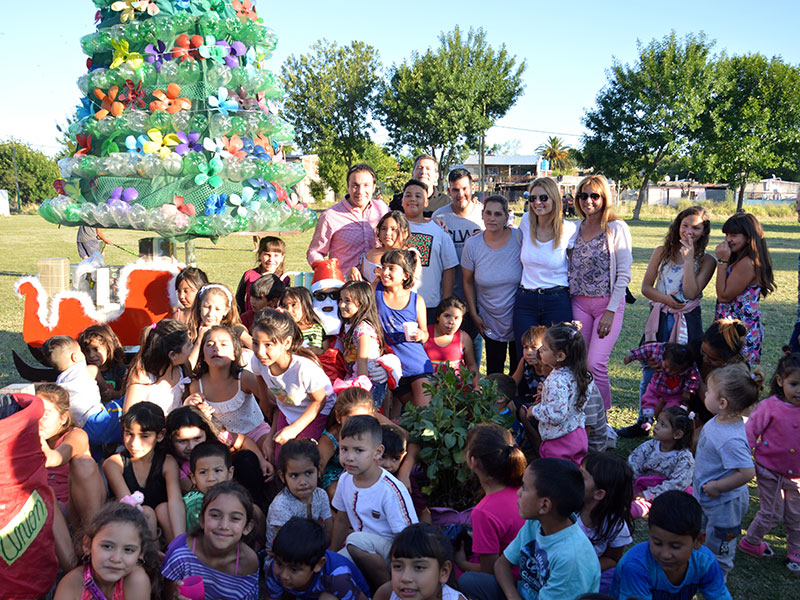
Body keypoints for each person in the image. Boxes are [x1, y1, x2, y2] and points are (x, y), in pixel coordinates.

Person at [620, 206, 715, 435]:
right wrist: (666, 300)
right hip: (661, 316)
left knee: (684, 368)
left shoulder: (707, 260)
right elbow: (646, 287)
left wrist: (689, 258)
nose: (689, 231)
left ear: (704, 231)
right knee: (653, 365)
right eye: (685, 225)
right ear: (677, 225)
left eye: (696, 227)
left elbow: (691, 293)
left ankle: (679, 423)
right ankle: (644, 420)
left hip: (687, 320)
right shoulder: (661, 252)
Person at [331, 415, 418, 590]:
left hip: (394, 554)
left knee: (355, 540)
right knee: (332, 570)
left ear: (377, 452)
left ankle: (389, 590)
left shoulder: (390, 489)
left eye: (359, 450)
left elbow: (408, 538)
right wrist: (331, 554)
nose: (349, 457)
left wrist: (406, 575)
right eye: (344, 449)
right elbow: (341, 520)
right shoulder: (345, 479)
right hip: (359, 548)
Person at [568, 174, 632, 410]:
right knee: (579, 363)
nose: (588, 201)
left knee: (595, 364)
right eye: (583, 195)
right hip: (579, 304)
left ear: (605, 198)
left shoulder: (616, 228)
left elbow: (624, 274)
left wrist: (611, 311)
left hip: (607, 305)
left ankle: (603, 416)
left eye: (595, 195)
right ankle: (583, 413)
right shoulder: (574, 228)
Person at [494, 458, 601, 600]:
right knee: (472, 581)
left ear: (544, 506)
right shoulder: (536, 523)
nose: (519, 492)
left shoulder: (570, 558)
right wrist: (513, 596)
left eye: (524, 487)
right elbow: (502, 563)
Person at [693, 363, 760, 576]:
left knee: (721, 544)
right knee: (702, 533)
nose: (705, 394)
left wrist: (718, 486)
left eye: (709, 391)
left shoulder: (730, 439)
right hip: (708, 496)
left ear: (722, 403)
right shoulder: (720, 420)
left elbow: (747, 472)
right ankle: (700, 567)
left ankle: (718, 579)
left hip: (725, 504)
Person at [739, 351, 800, 572]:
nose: (799, 390)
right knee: (772, 512)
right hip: (769, 470)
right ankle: (751, 541)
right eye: (794, 384)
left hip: (797, 476)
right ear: (780, 381)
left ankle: (796, 550)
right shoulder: (770, 406)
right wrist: (743, 456)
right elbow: (750, 431)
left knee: (796, 515)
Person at [611, 490, 732, 600]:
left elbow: (719, 595)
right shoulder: (636, 566)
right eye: (657, 543)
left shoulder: (705, 561)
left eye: (675, 546)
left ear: (698, 541)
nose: (665, 555)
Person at [456, 424, 526, 600]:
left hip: (511, 583)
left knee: (460, 577)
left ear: (473, 461)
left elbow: (489, 571)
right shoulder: (524, 489)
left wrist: (461, 562)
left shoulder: (484, 512)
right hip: (529, 574)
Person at [251, 310, 334, 454]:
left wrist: (294, 429)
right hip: (288, 408)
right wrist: (264, 399)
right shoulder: (258, 362)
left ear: (287, 343)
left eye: (268, 345)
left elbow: (319, 401)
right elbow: (259, 376)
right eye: (255, 343)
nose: (260, 352)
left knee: (298, 455)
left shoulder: (303, 369)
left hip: (317, 411)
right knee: (277, 457)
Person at [162, 481, 260, 600]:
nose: (224, 526)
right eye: (215, 515)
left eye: (235, 518)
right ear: (201, 520)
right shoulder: (180, 553)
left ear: (247, 527)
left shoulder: (248, 563)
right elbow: (167, 595)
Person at [103, 401, 185, 540]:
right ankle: (148, 552)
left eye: (144, 436)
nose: (134, 443)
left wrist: (180, 540)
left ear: (160, 435)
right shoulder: (115, 463)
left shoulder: (167, 462)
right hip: (130, 527)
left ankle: (177, 549)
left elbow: (175, 502)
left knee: (164, 509)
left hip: (165, 525)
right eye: (129, 434)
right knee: (147, 512)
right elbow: (129, 504)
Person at [513, 177, 576, 356]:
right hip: (526, 299)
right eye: (532, 198)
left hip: (557, 299)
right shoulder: (526, 221)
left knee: (556, 356)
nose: (537, 203)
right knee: (525, 355)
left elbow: (575, 262)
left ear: (554, 199)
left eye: (543, 198)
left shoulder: (568, 229)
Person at [462, 194, 523, 374]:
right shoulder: (472, 244)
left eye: (497, 214)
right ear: (482, 215)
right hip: (489, 317)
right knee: (494, 372)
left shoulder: (519, 238)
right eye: (488, 213)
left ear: (506, 217)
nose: (492, 218)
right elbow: (467, 280)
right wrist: (474, 314)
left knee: (519, 370)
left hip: (518, 315)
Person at [187, 325, 270, 455]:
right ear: (202, 355)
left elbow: (271, 401)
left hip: (256, 432)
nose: (216, 348)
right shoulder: (196, 386)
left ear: (234, 353)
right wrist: (197, 411)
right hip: (224, 440)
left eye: (224, 344)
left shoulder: (244, 378)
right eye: (209, 344)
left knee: (272, 451)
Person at [431, 168, 485, 362]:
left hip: (476, 295)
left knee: (473, 348)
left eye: (464, 188)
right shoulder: (439, 216)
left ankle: (474, 379)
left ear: (473, 188)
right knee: (447, 350)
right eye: (455, 189)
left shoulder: (483, 214)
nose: (460, 194)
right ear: (448, 191)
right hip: (449, 293)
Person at [54, 502, 159, 600]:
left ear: (141, 553)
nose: (116, 559)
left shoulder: (136, 580)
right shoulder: (73, 583)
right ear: (87, 545)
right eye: (107, 546)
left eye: (128, 550)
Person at [36, 382, 105, 530]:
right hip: (43, 508)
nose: (39, 421)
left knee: (83, 463)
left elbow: (56, 457)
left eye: (45, 414)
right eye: (35, 414)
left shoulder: (76, 435)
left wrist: (37, 441)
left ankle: (91, 533)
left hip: (74, 509)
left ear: (63, 418)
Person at [714, 212, 775, 365]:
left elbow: (723, 296)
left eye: (734, 235)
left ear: (748, 238)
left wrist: (722, 261)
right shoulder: (741, 259)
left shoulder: (748, 263)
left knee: (734, 374)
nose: (728, 239)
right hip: (732, 327)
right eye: (726, 235)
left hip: (739, 331)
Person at [376, 249, 433, 413]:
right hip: (391, 367)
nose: (385, 272)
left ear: (405, 276)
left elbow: (425, 334)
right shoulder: (376, 291)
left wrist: (421, 334)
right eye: (383, 267)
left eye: (391, 268)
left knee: (424, 415)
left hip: (416, 365)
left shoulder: (416, 300)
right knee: (408, 414)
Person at [530, 322, 594, 466]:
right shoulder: (581, 375)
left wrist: (534, 410)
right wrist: (546, 397)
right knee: (576, 473)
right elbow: (573, 399)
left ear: (560, 356)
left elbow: (556, 414)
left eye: (544, 348)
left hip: (559, 440)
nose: (540, 350)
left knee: (557, 475)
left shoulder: (556, 381)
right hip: (578, 433)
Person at [307, 163, 389, 273]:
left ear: (374, 187)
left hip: (378, 280)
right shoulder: (330, 216)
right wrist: (327, 271)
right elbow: (315, 252)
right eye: (355, 185)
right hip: (344, 281)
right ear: (348, 186)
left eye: (366, 185)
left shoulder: (383, 210)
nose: (360, 191)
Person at [41, 335, 122, 446]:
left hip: (82, 429)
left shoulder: (60, 382)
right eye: (81, 351)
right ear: (75, 357)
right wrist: (106, 390)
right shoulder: (89, 370)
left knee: (94, 447)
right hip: (97, 419)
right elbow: (104, 389)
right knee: (122, 404)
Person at [266, 517, 370, 600]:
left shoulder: (337, 578)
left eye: (294, 569)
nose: (284, 575)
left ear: (318, 565)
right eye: (279, 564)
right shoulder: (279, 566)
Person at [402, 178, 459, 323]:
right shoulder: (393, 228)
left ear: (426, 202)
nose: (413, 199)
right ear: (402, 201)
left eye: (418, 196)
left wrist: (445, 304)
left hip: (431, 306)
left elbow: (449, 268)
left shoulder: (439, 231)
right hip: (399, 305)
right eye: (408, 195)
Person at [578, 452, 634, 594]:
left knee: (615, 577)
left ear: (598, 494)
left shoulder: (615, 525)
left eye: (581, 477)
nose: (574, 478)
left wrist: (584, 569)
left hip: (589, 571)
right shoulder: (567, 506)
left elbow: (612, 559)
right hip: (557, 562)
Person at [628, 406, 695, 518]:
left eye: (663, 425)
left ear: (677, 434)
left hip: (667, 495)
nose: (657, 427)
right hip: (642, 486)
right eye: (658, 422)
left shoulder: (684, 458)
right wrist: (629, 483)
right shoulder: (650, 446)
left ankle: (637, 508)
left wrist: (648, 494)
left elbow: (676, 484)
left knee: (662, 507)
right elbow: (634, 463)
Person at [267, 438, 333, 553]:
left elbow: (328, 529)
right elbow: (289, 545)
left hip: (317, 551)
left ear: (318, 471)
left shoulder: (321, 495)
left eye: (308, 473)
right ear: (282, 476)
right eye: (294, 475)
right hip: (287, 557)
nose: (302, 482)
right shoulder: (281, 505)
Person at [318, 387, 382, 501]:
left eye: (363, 418)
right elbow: (318, 468)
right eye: (351, 419)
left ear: (372, 415)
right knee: (341, 494)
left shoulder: (372, 425)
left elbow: (403, 436)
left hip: (365, 470)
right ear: (338, 417)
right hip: (336, 476)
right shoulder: (329, 440)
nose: (357, 424)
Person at [374, 523, 468, 600]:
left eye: (419, 567)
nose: (405, 578)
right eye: (398, 566)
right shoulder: (386, 594)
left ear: (444, 571)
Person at [622, 342, 701, 433]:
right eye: (666, 366)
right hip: (656, 386)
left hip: (675, 393)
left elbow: (694, 378)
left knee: (672, 408)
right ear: (664, 357)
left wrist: (688, 390)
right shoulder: (659, 350)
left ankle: (664, 425)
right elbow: (645, 350)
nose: (668, 371)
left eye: (675, 370)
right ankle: (648, 419)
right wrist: (631, 357)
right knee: (648, 399)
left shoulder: (690, 366)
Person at [123, 319, 193, 415]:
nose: (192, 346)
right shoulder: (143, 378)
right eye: (188, 345)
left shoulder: (182, 369)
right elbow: (129, 416)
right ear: (172, 355)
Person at [336, 280, 388, 406]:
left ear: (363, 304)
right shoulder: (350, 325)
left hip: (369, 381)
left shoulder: (362, 328)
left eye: (347, 301)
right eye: (341, 300)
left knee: (365, 412)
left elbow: (363, 359)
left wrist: (361, 388)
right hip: (358, 378)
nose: (341, 305)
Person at [186, 283, 250, 368]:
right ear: (199, 306)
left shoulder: (234, 330)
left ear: (226, 311)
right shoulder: (191, 333)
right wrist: (199, 341)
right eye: (206, 307)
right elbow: (188, 369)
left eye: (217, 309)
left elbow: (257, 346)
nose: (210, 313)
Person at [379, 423, 430, 524]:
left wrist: (427, 533)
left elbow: (423, 512)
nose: (388, 465)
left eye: (395, 459)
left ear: (403, 456)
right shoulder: (361, 478)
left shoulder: (404, 481)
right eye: (382, 457)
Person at [423, 296, 479, 388]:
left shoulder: (464, 338)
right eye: (447, 316)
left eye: (457, 318)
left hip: (456, 391)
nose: (451, 322)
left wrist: (477, 386)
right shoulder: (425, 334)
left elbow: (471, 364)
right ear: (438, 316)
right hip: (429, 389)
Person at [348, 210, 416, 285]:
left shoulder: (410, 255)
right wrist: (353, 270)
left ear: (405, 233)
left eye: (393, 229)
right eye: (383, 229)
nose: (387, 233)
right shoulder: (369, 254)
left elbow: (412, 283)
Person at [183, 441, 235, 530]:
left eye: (217, 470)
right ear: (193, 477)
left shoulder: (232, 495)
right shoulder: (197, 505)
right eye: (203, 472)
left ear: (230, 473)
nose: (211, 478)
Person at [236, 235, 286, 314]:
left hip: (273, 319)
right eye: (267, 255)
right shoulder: (249, 275)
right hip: (250, 319)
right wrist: (242, 315)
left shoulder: (284, 278)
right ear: (259, 255)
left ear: (282, 257)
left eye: (276, 255)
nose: (271, 259)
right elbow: (239, 298)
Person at [78, 323, 127, 402]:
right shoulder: (84, 371)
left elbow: (126, 393)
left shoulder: (119, 369)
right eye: (87, 351)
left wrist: (113, 394)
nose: (91, 355)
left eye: (96, 349)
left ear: (109, 347)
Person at [280, 286, 326, 351]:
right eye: (284, 306)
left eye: (293, 305)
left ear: (306, 304)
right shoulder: (285, 329)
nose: (289, 310)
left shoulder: (318, 328)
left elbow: (327, 352)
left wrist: (319, 351)